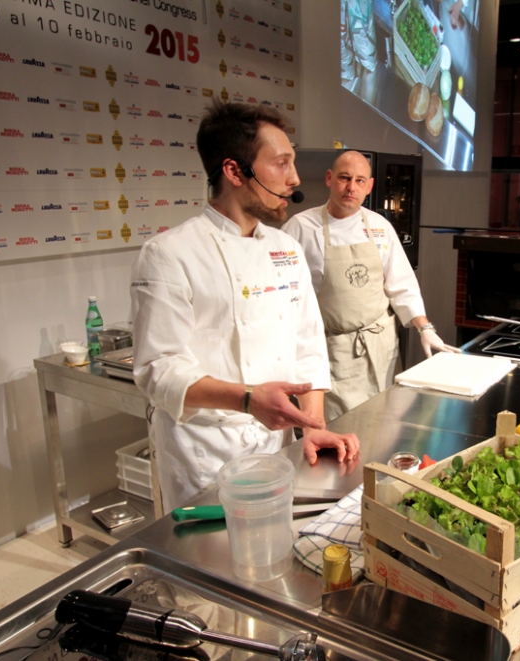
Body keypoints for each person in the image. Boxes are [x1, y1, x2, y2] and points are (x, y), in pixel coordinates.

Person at [130, 103, 360, 511]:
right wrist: (248, 399)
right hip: (203, 454)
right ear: (235, 172)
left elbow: (307, 345)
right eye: (281, 164)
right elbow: (157, 370)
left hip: (275, 448)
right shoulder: (169, 254)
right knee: (209, 564)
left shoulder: (286, 249)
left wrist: (313, 426)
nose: (293, 179)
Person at [283, 151, 459, 421]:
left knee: (385, 422)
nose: (351, 187)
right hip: (334, 352)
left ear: (370, 186)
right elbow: (285, 296)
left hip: (381, 346)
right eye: (344, 178)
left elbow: (402, 285)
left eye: (359, 180)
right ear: (329, 179)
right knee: (340, 430)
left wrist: (425, 328)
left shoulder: (380, 227)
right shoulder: (301, 228)